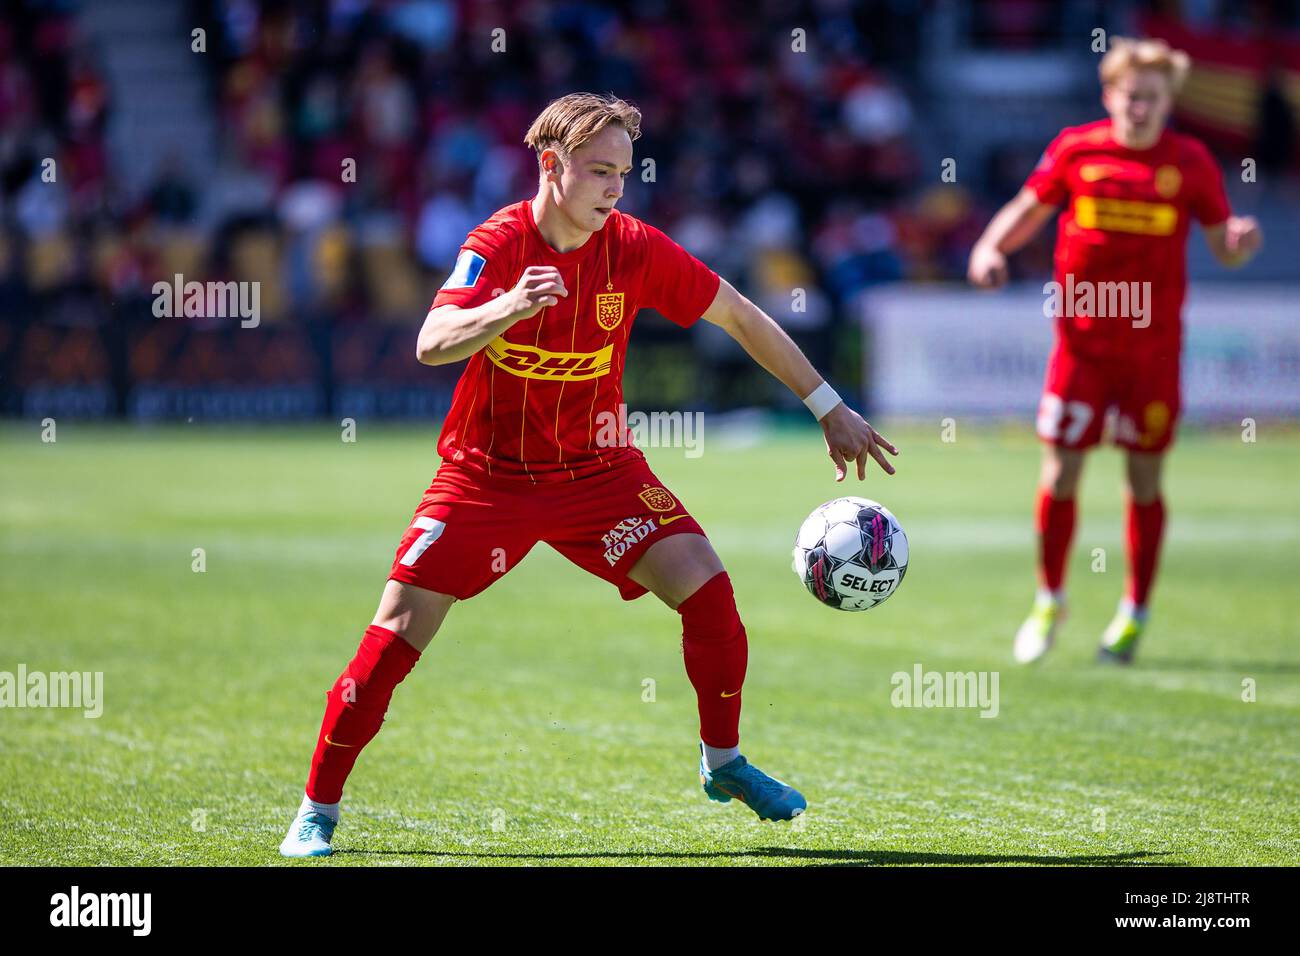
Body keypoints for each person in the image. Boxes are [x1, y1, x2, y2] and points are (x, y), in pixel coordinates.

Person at [280, 92, 898, 856]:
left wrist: (827, 405)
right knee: (394, 638)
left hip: (598, 472)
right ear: (552, 166)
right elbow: (432, 341)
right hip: (488, 478)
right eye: (601, 171)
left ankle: (724, 762)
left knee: (709, 592)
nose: (615, 188)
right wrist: (504, 306)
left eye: (624, 174)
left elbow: (738, 314)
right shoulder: (498, 242)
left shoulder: (632, 246)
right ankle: (318, 809)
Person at [966, 38, 1262, 666]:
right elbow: (1028, 207)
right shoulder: (1078, 148)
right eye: (1132, 96)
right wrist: (991, 247)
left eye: (1154, 98)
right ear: (1111, 96)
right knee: (1061, 472)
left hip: (1151, 357)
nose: (1141, 109)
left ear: (1168, 102)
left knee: (1144, 479)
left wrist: (1240, 240)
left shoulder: (1190, 161)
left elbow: (1225, 246)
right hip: (1081, 350)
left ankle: (1135, 611)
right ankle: (1050, 598)